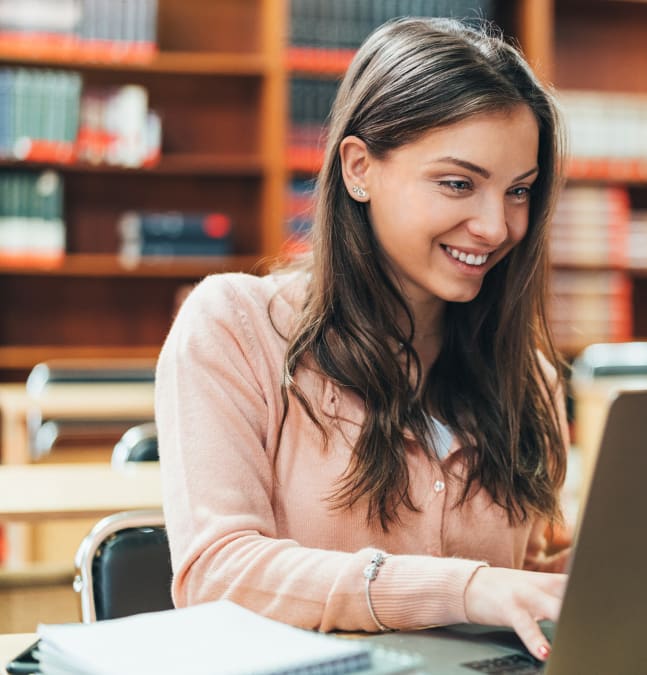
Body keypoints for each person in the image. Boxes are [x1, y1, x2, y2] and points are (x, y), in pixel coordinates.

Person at [155, 17, 570, 661]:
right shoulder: (233, 327)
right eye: (458, 183)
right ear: (358, 169)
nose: (495, 226)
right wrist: (468, 589)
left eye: (518, 191)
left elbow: (532, 571)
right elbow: (217, 572)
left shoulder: (528, 374)